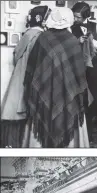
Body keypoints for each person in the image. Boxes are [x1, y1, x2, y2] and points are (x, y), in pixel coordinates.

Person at [23, 7, 89, 148]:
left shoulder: (43, 38)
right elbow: (79, 73)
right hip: (68, 94)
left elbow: (31, 69)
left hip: (43, 93)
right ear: (69, 20)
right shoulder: (72, 41)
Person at [1, 5, 51, 148]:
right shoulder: (37, 34)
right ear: (40, 19)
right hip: (31, 75)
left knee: (19, 109)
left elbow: (16, 55)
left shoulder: (30, 34)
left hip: (23, 74)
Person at [71, 1, 97, 142]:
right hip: (77, 67)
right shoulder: (69, 27)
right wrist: (77, 41)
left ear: (85, 16)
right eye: (74, 16)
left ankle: (89, 123)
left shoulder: (96, 26)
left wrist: (91, 42)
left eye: (78, 17)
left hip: (93, 66)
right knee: (82, 101)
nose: (75, 19)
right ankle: (88, 136)